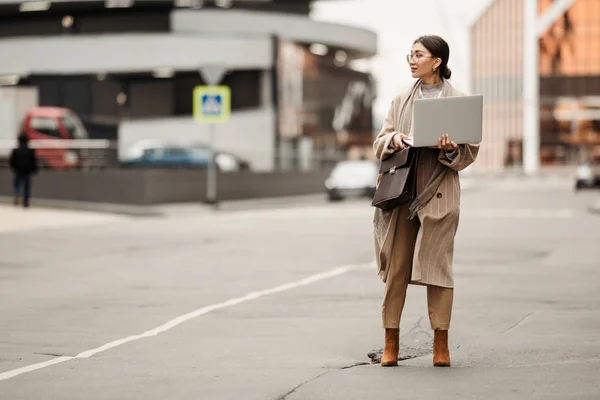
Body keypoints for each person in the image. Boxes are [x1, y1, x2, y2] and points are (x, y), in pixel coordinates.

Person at [372, 35, 480, 367]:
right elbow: (379, 142)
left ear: (437, 62)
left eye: (418, 54)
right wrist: (396, 138)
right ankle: (391, 342)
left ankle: (440, 343)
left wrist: (448, 149)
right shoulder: (400, 100)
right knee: (397, 269)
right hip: (402, 194)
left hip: (439, 191)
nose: (411, 59)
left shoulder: (459, 101)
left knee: (438, 268)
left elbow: (469, 151)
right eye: (410, 54)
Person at [9, 134, 39, 208]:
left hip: (18, 171)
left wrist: (14, 168)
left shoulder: (16, 150)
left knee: (17, 185)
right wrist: (34, 169)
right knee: (26, 187)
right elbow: (33, 161)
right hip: (27, 171)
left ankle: (17, 194)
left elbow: (12, 161)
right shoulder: (30, 151)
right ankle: (25, 201)